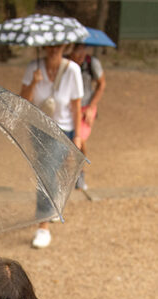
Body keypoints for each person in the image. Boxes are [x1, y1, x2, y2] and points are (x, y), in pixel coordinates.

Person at [21, 45, 84, 249]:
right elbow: (23, 101)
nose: (54, 50)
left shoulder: (72, 70)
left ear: (65, 47)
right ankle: (52, 204)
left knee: (46, 172)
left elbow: (76, 106)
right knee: (45, 172)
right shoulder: (34, 67)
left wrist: (78, 136)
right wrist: (34, 82)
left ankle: (43, 227)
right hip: (39, 129)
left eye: (58, 46)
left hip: (62, 131)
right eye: (50, 46)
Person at [68, 43, 107, 190]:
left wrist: (92, 106)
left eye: (83, 49)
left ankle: (80, 173)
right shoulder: (65, 64)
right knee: (69, 140)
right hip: (69, 107)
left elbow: (101, 84)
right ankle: (71, 174)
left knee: (80, 139)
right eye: (77, 50)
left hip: (86, 107)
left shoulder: (92, 64)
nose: (81, 53)